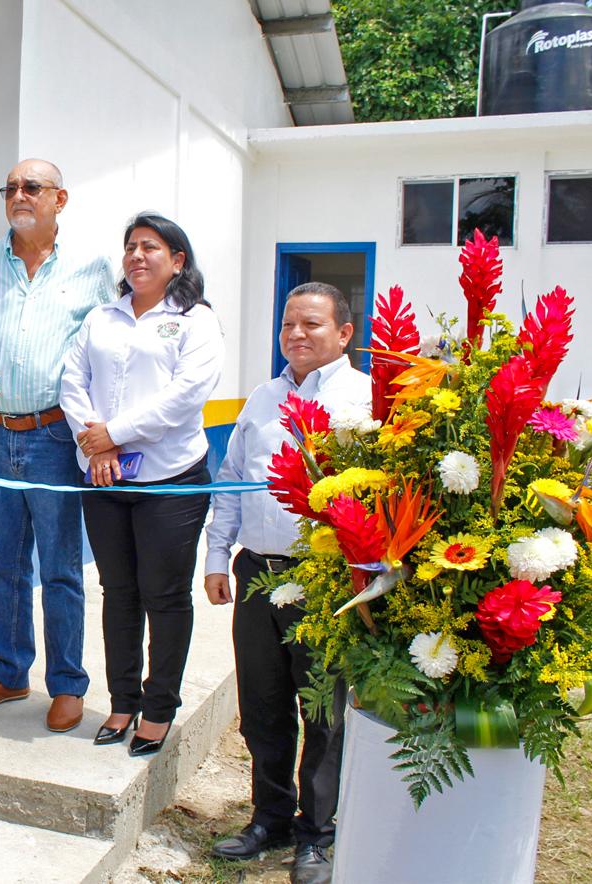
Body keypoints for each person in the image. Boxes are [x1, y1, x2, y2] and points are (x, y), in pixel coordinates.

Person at [203, 282, 370, 884]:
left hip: (325, 579)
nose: (296, 335)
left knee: (323, 709)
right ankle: (268, 818)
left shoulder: (365, 399)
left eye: (312, 324)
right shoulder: (263, 397)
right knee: (263, 706)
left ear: (344, 333)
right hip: (257, 572)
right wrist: (217, 556)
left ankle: (318, 835)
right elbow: (230, 477)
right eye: (287, 325)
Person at [0, 159, 114, 732]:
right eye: (10, 186)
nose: (19, 195)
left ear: (59, 199)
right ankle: (10, 671)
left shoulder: (91, 267)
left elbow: (104, 352)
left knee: (61, 568)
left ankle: (67, 684)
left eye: (31, 187)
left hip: (55, 437)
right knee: (2, 564)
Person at [60, 213, 223, 756]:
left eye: (150, 247)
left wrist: (115, 435)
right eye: (130, 247)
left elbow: (185, 396)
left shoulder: (196, 320)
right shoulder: (100, 318)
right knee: (119, 592)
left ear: (177, 261)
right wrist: (95, 443)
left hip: (170, 477)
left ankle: (159, 708)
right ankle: (123, 700)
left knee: (165, 594)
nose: (137, 256)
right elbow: (72, 380)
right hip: (103, 476)